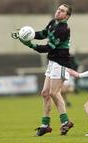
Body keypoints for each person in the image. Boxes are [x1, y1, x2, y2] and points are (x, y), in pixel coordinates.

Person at [11, 4, 74, 136]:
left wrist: (30, 45)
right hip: (52, 62)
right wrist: (26, 35)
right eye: (58, 9)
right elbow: (42, 34)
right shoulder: (53, 22)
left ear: (67, 16)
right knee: (45, 93)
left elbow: (49, 47)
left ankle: (65, 122)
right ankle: (45, 126)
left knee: (54, 93)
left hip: (60, 62)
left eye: (62, 11)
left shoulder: (63, 29)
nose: (58, 11)